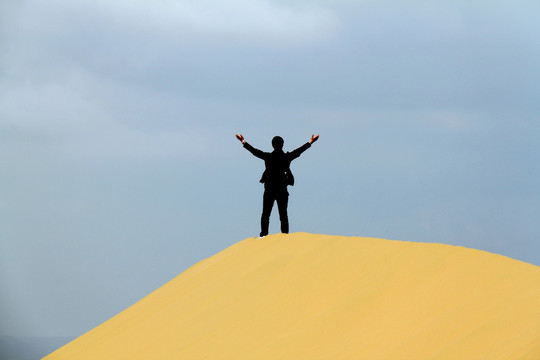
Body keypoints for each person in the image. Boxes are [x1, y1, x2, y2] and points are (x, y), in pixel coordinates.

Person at [236, 133, 319, 237]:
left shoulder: (268, 157)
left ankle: (263, 234)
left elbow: (254, 152)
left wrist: (243, 141)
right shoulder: (286, 157)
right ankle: (285, 235)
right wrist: (310, 142)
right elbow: (299, 151)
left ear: (272, 145)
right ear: (282, 145)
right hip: (282, 190)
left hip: (269, 189)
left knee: (266, 214)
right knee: (283, 214)